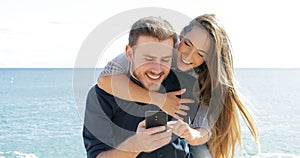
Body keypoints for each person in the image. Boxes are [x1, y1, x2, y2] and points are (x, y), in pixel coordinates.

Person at [97, 14, 260, 157]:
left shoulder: (203, 79)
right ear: (182, 34)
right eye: (188, 44)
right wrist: (160, 100)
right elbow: (105, 79)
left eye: (200, 54)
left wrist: (190, 134)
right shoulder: (159, 45)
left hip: (184, 136)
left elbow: (203, 129)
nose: (188, 55)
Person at [83, 16, 199, 158]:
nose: (157, 69)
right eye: (148, 59)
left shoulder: (184, 84)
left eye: (165, 59)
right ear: (129, 53)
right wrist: (135, 146)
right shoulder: (101, 97)